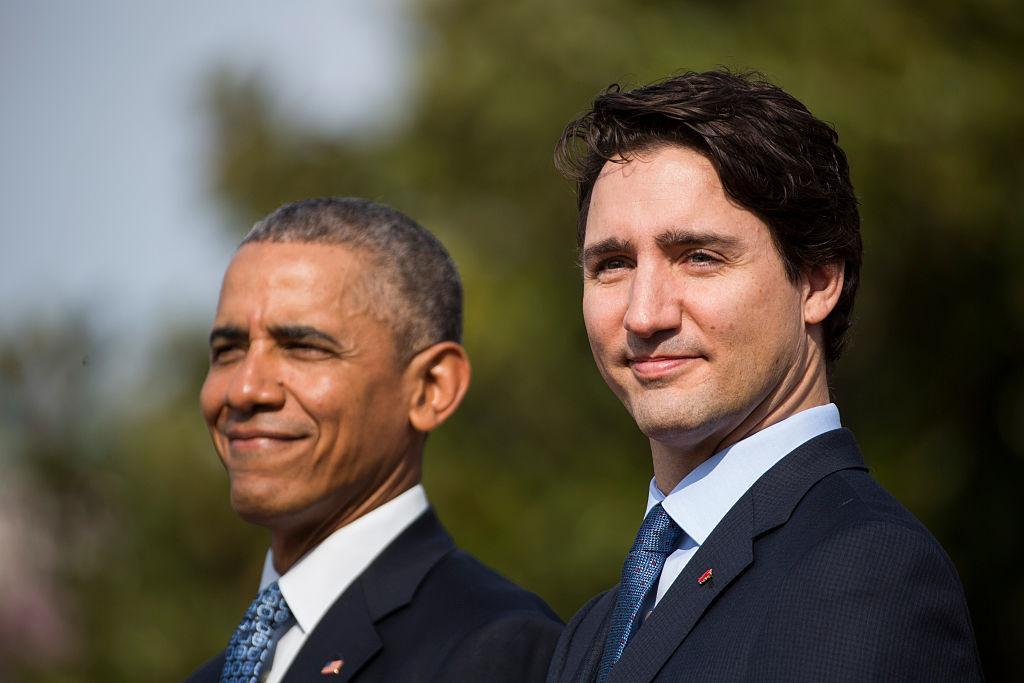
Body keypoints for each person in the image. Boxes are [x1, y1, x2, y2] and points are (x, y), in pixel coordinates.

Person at [545, 70, 983, 681]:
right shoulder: (595, 631)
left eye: (699, 257)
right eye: (613, 265)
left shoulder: (862, 570)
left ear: (818, 280)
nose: (645, 314)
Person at [187, 198, 561, 683]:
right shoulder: (214, 675)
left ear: (431, 388)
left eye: (303, 347)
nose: (244, 389)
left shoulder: (494, 650)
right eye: (228, 350)